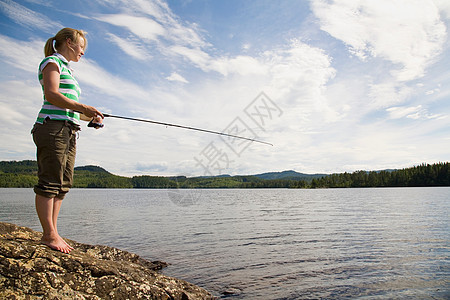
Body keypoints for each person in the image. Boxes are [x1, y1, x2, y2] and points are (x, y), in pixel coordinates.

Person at [32, 28, 103, 253]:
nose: (83, 52)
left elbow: (69, 106)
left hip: (69, 129)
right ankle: (49, 235)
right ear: (70, 43)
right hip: (52, 126)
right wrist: (83, 107)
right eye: (82, 47)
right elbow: (51, 95)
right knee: (50, 182)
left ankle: (53, 231)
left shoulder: (69, 71)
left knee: (63, 184)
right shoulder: (52, 62)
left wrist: (90, 115)